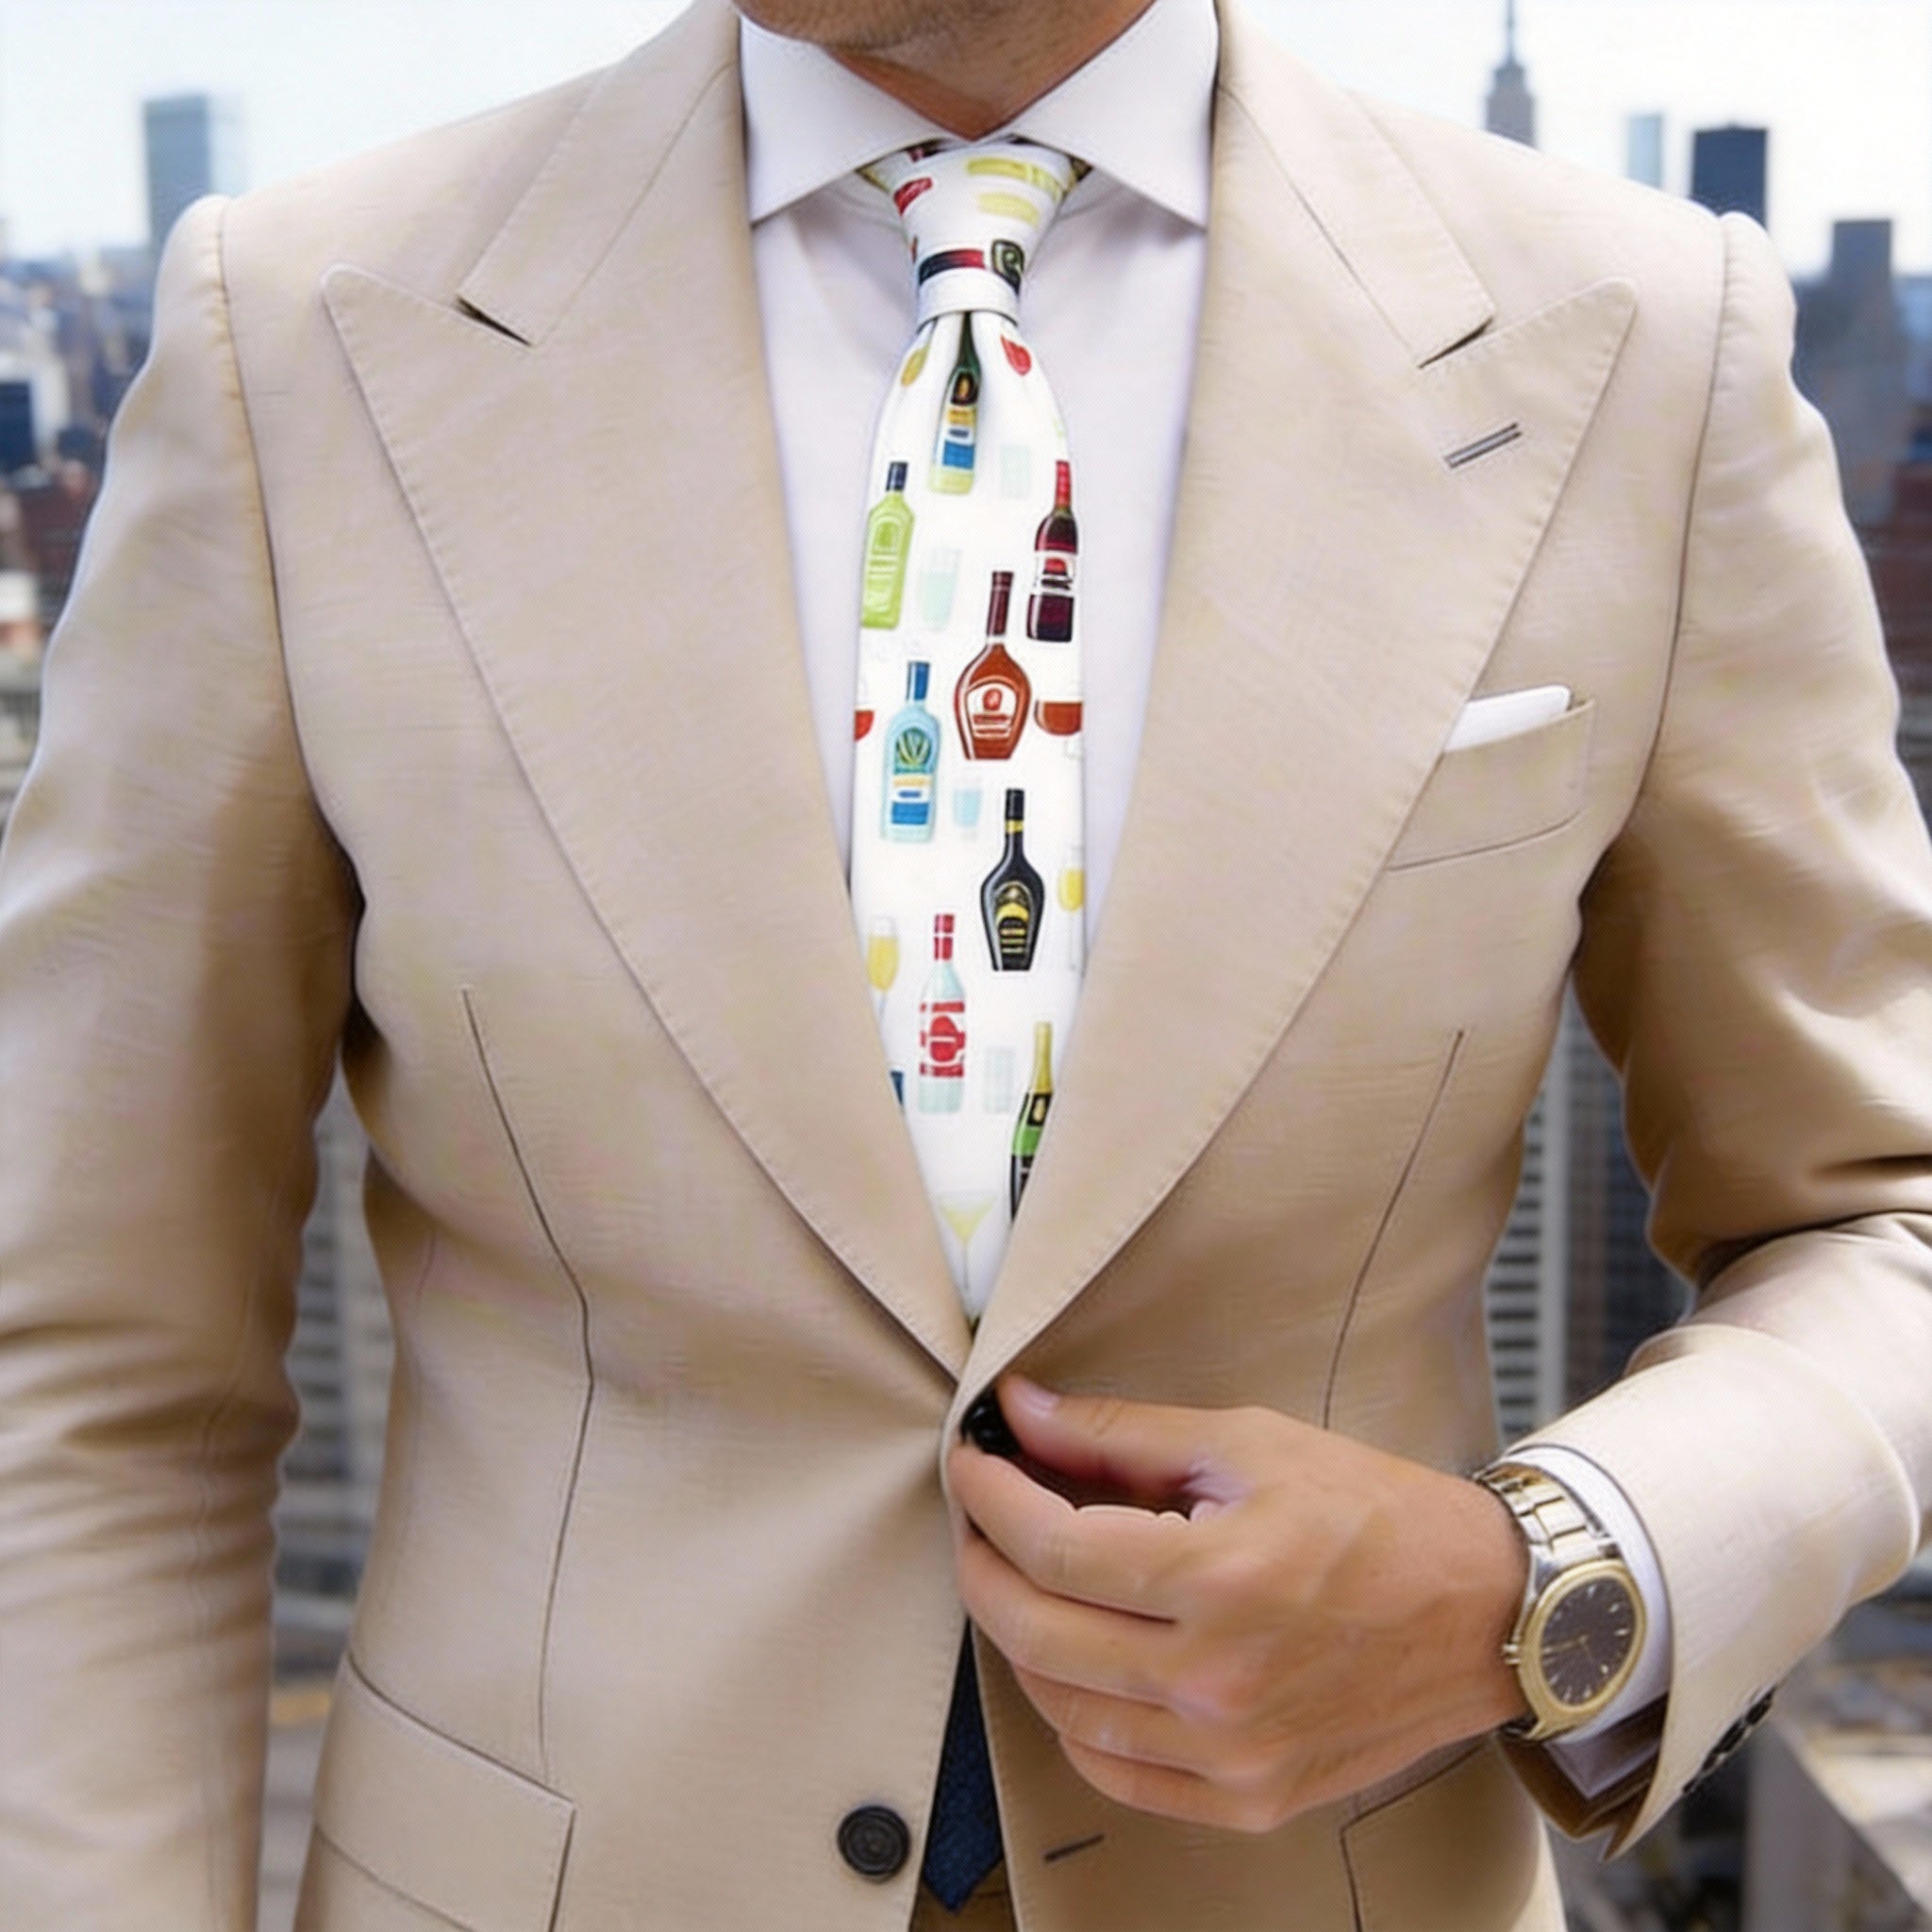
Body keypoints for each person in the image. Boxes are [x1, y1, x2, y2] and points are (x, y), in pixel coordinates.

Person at [2, 0, 1929, 1926]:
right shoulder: (297, 332)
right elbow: (92, 1353)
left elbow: (1881, 1215)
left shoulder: (1644, 342)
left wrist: (1537, 1584)